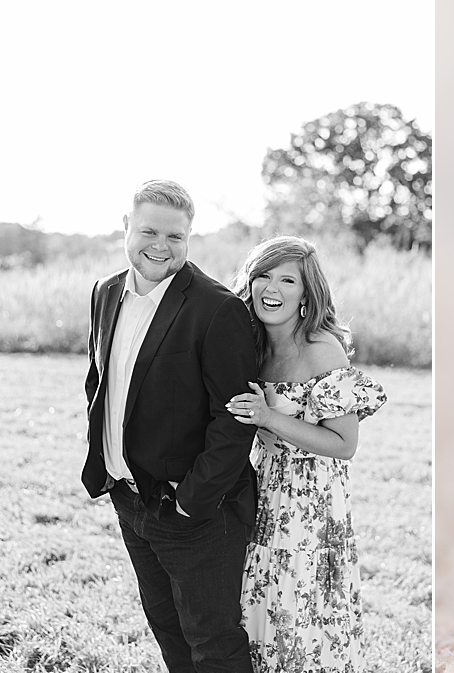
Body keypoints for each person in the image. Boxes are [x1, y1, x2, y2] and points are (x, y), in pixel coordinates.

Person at [81, 180, 258, 673]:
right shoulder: (105, 291)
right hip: (130, 498)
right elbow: (99, 378)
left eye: (175, 237)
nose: (160, 246)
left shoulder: (217, 309)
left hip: (195, 514)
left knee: (213, 642)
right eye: (149, 231)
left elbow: (234, 417)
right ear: (126, 228)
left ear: (189, 237)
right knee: (166, 627)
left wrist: (190, 500)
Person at [226, 235, 386, 673]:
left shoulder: (321, 349)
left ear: (306, 293)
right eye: (263, 276)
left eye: (287, 279)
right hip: (266, 492)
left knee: (301, 613)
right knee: (262, 607)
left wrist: (268, 418)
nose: (271, 289)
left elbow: (343, 444)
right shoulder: (253, 348)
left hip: (312, 503)